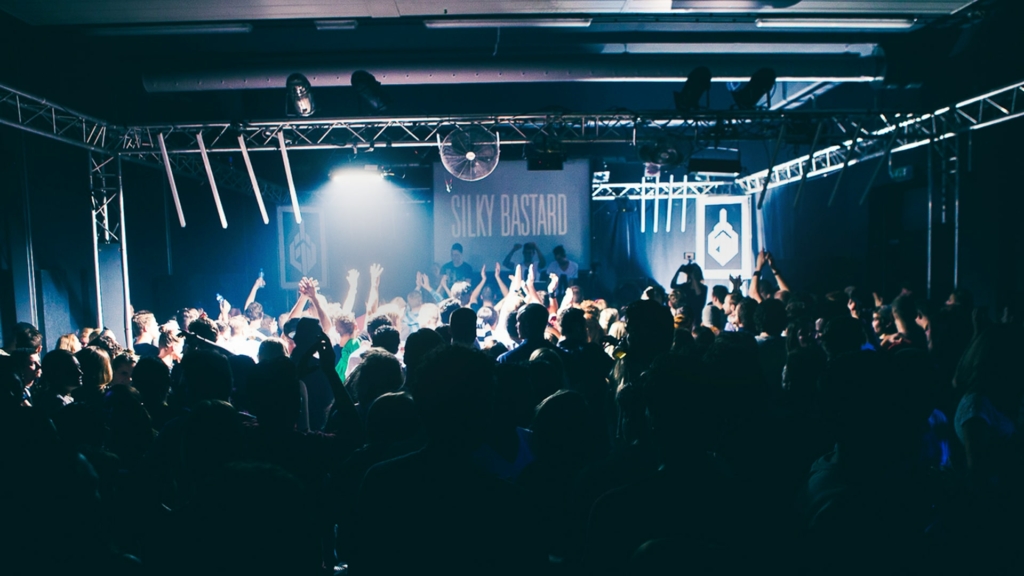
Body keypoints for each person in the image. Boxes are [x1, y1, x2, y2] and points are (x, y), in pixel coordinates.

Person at [350, 346, 543, 576]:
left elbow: (362, 564)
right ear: (483, 412)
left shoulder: (381, 482)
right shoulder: (508, 501)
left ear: (421, 406)